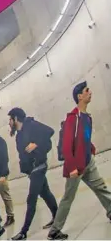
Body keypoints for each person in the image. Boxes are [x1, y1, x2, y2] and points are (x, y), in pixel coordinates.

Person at [48, 82, 111, 240]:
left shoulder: (87, 117)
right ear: (79, 96)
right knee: (68, 197)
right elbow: (67, 146)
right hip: (76, 166)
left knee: (101, 187)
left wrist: (91, 146)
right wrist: (71, 167)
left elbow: (84, 137)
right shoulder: (72, 118)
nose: (90, 92)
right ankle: (54, 231)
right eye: (87, 90)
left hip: (88, 162)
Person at [7, 108, 57, 240]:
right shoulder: (19, 135)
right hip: (32, 170)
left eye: (10, 119)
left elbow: (50, 131)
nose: (9, 122)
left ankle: (24, 232)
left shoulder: (32, 125)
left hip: (39, 167)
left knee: (31, 198)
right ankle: (57, 217)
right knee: (46, 193)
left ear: (16, 118)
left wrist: (37, 144)